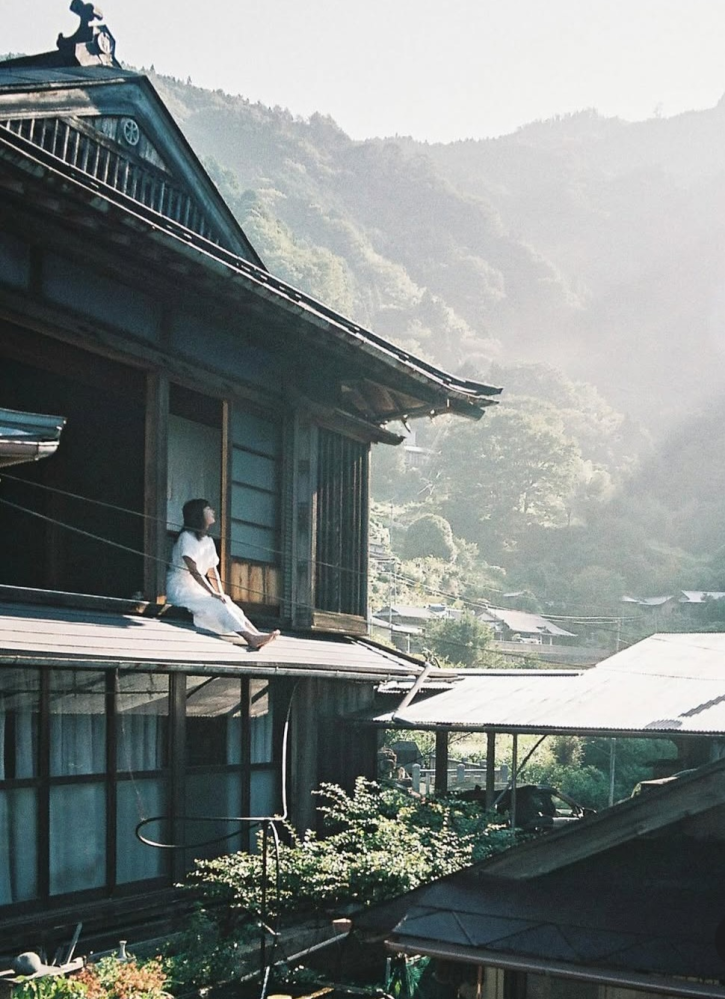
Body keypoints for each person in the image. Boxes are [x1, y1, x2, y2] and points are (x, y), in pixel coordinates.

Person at [166, 498, 279, 650]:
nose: (212, 511)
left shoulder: (208, 541)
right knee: (216, 605)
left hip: (197, 588)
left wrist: (220, 593)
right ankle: (250, 638)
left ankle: (256, 634)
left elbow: (212, 572)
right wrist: (213, 594)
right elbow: (194, 571)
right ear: (198, 514)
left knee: (229, 604)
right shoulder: (186, 537)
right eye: (208, 509)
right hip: (181, 588)